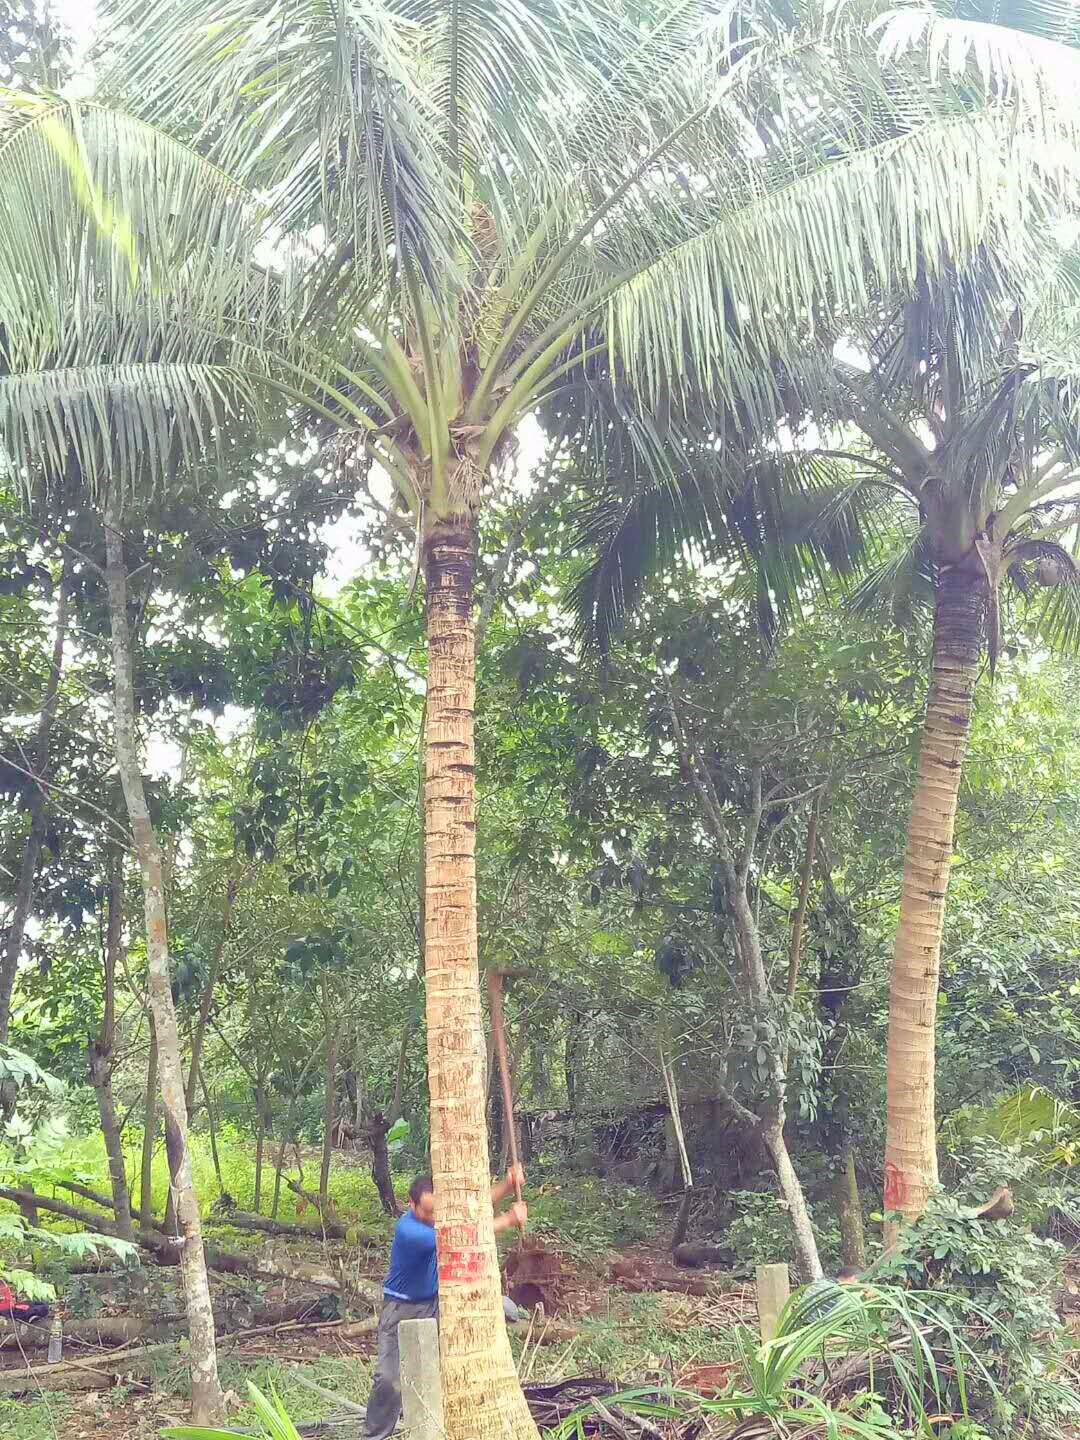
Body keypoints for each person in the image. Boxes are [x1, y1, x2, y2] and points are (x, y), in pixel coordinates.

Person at [365, 1167, 528, 1440]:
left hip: (435, 1304)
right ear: (411, 1205)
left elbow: (470, 1211)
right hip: (400, 1310)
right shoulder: (409, 1230)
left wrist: (508, 1185)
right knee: (390, 1381)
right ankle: (375, 1436)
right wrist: (508, 1220)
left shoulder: (437, 1217)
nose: (433, 1218)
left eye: (437, 1212)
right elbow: (458, 1237)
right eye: (427, 1212)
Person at [795, 1264, 864, 1326]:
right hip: (813, 1328)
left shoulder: (817, 1283)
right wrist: (862, 1297)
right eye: (859, 1281)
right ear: (853, 1278)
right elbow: (854, 1318)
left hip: (796, 1324)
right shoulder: (839, 1292)